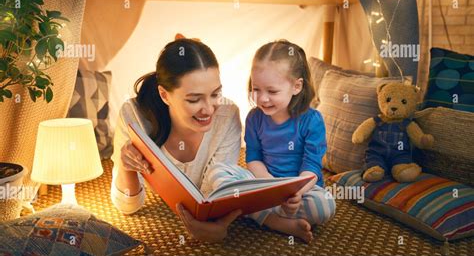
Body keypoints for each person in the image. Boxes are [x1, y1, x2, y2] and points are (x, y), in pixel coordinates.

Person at [111, 37, 243, 243]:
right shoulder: (134, 116)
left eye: (216, 94)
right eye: (194, 99)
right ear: (164, 95)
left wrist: (217, 224)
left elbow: (217, 192)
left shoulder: (227, 116)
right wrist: (126, 166)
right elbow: (127, 207)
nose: (208, 109)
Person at [206, 40, 336, 243]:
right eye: (256, 89)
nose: (263, 98)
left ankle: (257, 212)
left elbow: (312, 167)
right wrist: (268, 186)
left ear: (296, 86)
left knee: (325, 205)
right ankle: (274, 221)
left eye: (272, 91)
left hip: (301, 190)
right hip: (263, 184)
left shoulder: (312, 121)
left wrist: (295, 194)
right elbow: (253, 157)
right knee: (216, 172)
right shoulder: (254, 118)